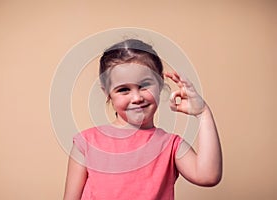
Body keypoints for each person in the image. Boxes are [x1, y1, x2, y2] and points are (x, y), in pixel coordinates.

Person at [64, 39, 222, 200]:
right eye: (124, 90)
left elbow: (208, 176)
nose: (137, 97)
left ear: (160, 83)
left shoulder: (170, 145)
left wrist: (203, 113)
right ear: (107, 92)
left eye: (144, 85)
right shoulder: (87, 143)